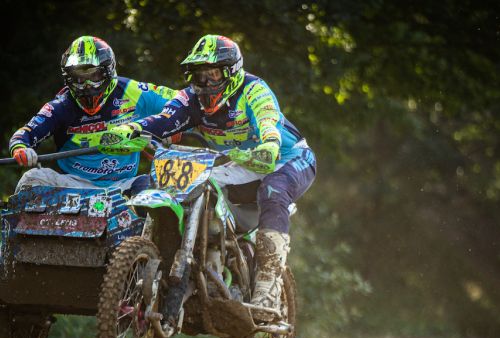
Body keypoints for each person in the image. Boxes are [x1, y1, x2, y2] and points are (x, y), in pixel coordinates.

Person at [110, 34, 316, 320]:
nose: (205, 81)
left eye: (213, 74)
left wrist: (269, 144)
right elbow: (164, 120)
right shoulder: (191, 98)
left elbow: (268, 120)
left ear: (231, 72)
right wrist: (131, 129)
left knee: (274, 190)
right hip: (238, 162)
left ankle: (268, 283)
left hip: (286, 158)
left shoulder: (253, 90)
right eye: (199, 74)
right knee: (187, 186)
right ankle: (191, 265)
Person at [9, 35, 178, 194]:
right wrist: (21, 148)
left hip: (123, 185)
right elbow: (25, 133)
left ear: (108, 70)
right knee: (32, 178)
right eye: (79, 78)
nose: (87, 85)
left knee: (161, 187)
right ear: (68, 78)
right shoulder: (60, 106)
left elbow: (181, 101)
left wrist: (171, 124)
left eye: (94, 75)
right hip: (74, 185)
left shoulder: (133, 90)